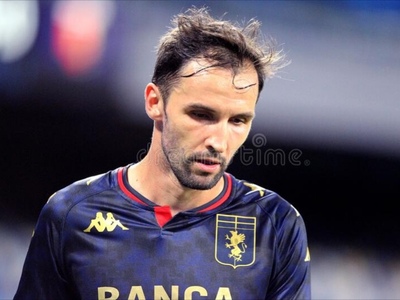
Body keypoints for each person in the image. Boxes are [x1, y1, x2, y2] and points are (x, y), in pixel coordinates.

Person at [14, 6, 311, 300]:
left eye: (238, 121)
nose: (218, 142)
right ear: (155, 102)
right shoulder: (69, 215)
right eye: (201, 114)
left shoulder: (276, 225)